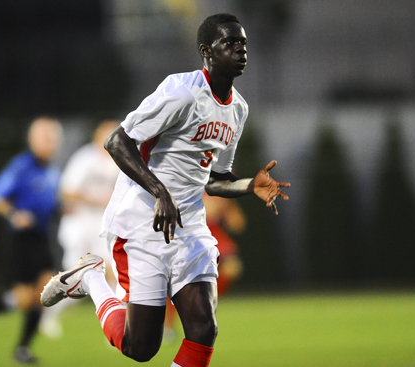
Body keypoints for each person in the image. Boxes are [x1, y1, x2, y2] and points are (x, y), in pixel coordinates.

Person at [41, 13, 290, 367]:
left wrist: (249, 184)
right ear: (206, 51)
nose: (240, 50)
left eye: (243, 44)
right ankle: (91, 278)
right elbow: (117, 141)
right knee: (140, 348)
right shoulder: (182, 91)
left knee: (204, 329)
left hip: (189, 226)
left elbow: (215, 178)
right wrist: (160, 192)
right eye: (229, 43)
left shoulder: (238, 109)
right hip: (142, 222)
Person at [0, 117, 63, 364]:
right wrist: (14, 214)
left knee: (43, 292)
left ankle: (22, 348)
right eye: (44, 136)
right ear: (32, 139)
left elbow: (52, 203)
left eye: (52, 136)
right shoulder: (22, 165)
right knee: (23, 297)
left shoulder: (52, 169)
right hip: (22, 239)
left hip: (42, 236)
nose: (49, 141)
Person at [39, 119, 120, 339]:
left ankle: (118, 324)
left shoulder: (118, 161)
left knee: (115, 273)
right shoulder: (85, 158)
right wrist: (95, 199)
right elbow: (66, 192)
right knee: (75, 278)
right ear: (97, 136)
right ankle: (48, 314)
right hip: (79, 226)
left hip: (102, 227)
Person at [163, 192, 246, 341]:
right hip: (189, 236)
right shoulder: (189, 185)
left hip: (213, 237)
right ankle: (168, 324)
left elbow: (238, 225)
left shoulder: (220, 192)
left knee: (232, 267)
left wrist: (227, 207)